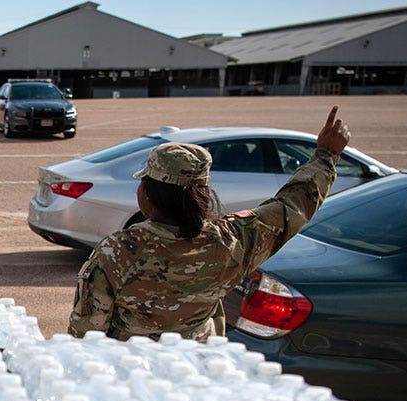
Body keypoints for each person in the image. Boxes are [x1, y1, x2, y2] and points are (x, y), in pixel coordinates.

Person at [68, 105, 351, 342]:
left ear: (149, 196)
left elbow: (87, 335)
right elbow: (292, 206)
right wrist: (326, 156)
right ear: (202, 195)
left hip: (132, 382)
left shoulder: (116, 252)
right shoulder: (231, 242)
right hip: (198, 375)